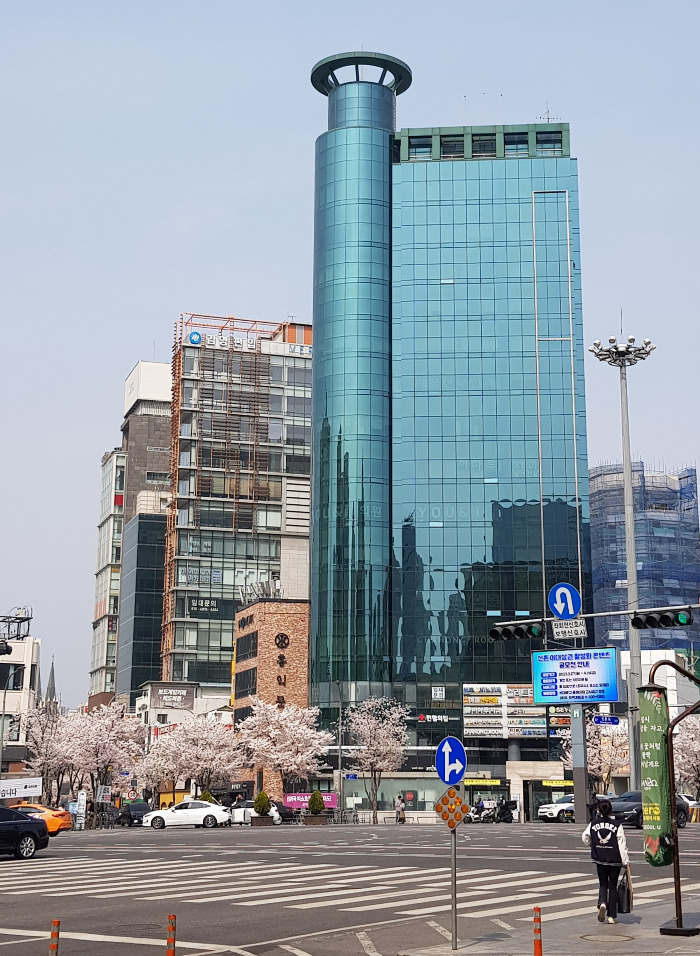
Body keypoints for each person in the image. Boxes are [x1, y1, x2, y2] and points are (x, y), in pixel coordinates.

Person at [582, 798, 629, 924]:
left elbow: (585, 837)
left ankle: (602, 902)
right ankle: (611, 916)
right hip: (614, 860)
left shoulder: (593, 823)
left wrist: (591, 844)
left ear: (599, 810)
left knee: (603, 883)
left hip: (600, 858)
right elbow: (621, 844)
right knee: (612, 886)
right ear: (610, 810)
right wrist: (625, 861)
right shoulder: (617, 825)